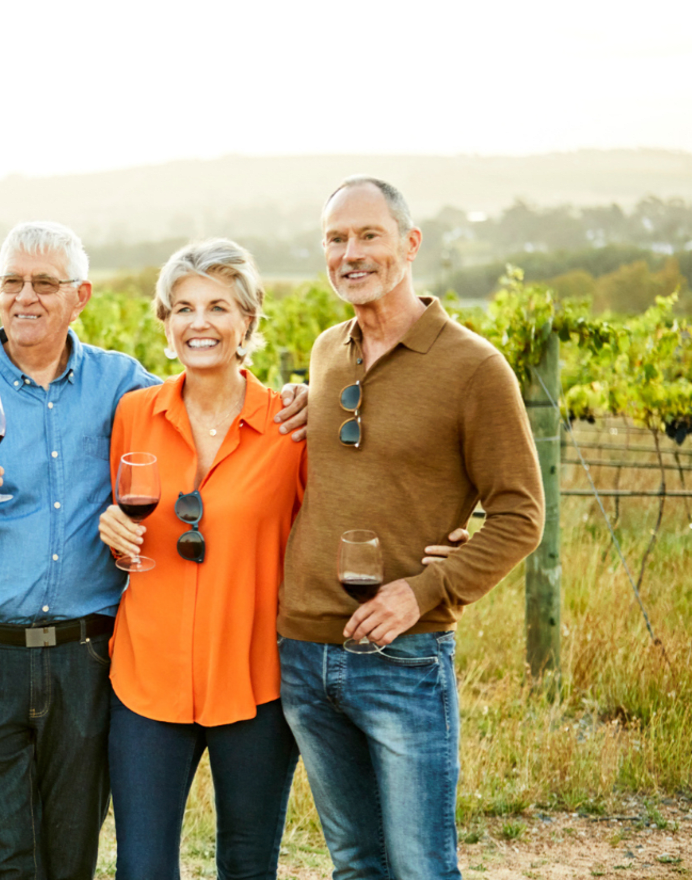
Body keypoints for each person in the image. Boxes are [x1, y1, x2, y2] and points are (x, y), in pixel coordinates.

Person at [0, 221, 310, 879]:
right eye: (12, 282)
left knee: (73, 863)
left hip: (85, 662)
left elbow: (211, 399)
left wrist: (300, 400)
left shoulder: (125, 389)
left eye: (45, 283)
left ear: (80, 295)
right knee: (0, 863)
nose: (25, 297)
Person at [95, 240, 466, 880]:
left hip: (256, 677)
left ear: (247, 323)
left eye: (217, 307)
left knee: (248, 865)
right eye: (182, 308)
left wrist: (447, 539)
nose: (199, 323)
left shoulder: (296, 423)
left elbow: (361, 499)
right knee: (141, 869)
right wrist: (110, 525)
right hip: (145, 676)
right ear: (165, 323)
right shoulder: (133, 413)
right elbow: (118, 514)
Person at [277, 176, 543, 879]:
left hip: (403, 656)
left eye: (369, 235)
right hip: (304, 649)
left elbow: (520, 516)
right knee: (356, 865)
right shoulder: (328, 351)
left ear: (410, 244)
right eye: (336, 239)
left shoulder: (475, 368)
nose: (350, 253)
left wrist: (422, 591)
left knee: (421, 867)